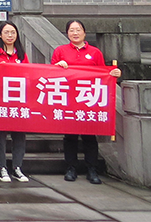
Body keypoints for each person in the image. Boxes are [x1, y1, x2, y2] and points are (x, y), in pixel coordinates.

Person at [52, 19, 122, 185]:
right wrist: (58, 66)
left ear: (84, 32)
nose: (75, 33)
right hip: (68, 99)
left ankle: (92, 169)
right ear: (67, 33)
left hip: (88, 99)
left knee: (90, 135)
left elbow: (102, 74)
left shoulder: (95, 52)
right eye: (71, 30)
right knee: (70, 136)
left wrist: (114, 73)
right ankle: (71, 168)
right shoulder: (60, 51)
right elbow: (50, 74)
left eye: (78, 30)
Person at [0, 21, 29, 183]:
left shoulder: (21, 54)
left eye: (13, 32)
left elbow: (29, 74)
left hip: (17, 100)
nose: (10, 35)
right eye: (6, 32)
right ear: (0, 35)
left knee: (19, 135)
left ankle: (17, 167)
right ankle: (1, 167)